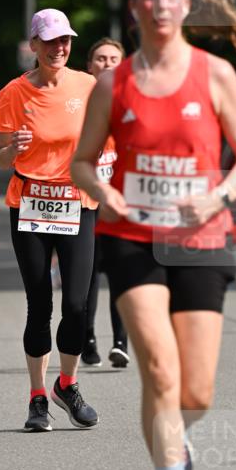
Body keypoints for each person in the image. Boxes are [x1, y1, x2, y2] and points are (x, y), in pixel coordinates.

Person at [72, 0, 236, 470]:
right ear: (135, 8)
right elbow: (82, 162)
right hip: (133, 240)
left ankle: (179, 437)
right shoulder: (115, 84)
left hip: (202, 238)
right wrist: (104, 192)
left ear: (185, 6)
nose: (159, 4)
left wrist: (218, 196)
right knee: (158, 367)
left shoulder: (215, 74)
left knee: (195, 392)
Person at [0, 8, 99, 433]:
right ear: (33, 45)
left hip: (77, 201)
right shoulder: (13, 92)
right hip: (30, 203)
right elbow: (0, 160)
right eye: (51, 41)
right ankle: (37, 397)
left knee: (77, 304)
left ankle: (67, 385)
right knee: (40, 304)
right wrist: (13, 149)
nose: (60, 48)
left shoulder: (87, 86)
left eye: (65, 40)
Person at [81, 38, 130, 369]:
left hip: (120, 203)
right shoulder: (77, 102)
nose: (108, 63)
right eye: (101, 58)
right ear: (90, 66)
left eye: (114, 58)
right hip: (85, 200)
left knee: (121, 272)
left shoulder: (135, 101)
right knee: (88, 276)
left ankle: (120, 343)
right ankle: (87, 338)